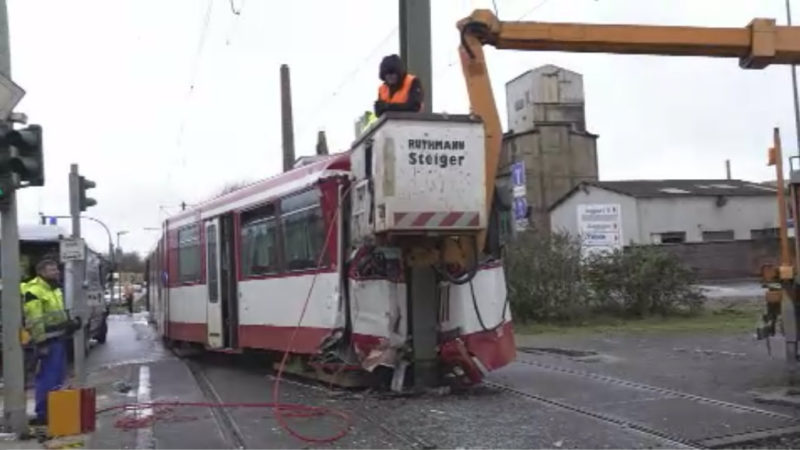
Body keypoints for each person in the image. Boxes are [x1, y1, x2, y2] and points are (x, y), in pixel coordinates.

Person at [22, 259, 74, 426]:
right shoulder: (34, 291)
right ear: (42, 272)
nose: (57, 272)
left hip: (58, 338)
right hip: (47, 341)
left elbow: (56, 314)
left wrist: (69, 324)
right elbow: (35, 319)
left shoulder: (54, 288)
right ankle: (43, 413)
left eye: (56, 270)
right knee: (47, 378)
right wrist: (41, 342)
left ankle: (54, 411)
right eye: (52, 270)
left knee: (58, 377)